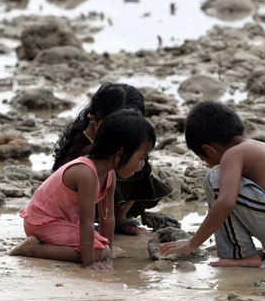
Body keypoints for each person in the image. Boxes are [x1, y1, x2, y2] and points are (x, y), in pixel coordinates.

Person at [159, 101, 265, 268]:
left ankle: (240, 255)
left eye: (205, 160)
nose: (208, 164)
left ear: (209, 150)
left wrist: (193, 243)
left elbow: (226, 203)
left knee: (214, 179)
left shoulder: (233, 153)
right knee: (243, 187)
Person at [9, 109, 156, 268]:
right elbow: (86, 223)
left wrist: (109, 253)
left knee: (103, 250)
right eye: (141, 158)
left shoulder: (109, 175)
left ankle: (46, 247)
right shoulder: (86, 173)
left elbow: (108, 218)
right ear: (120, 154)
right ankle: (33, 249)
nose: (142, 165)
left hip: (62, 223)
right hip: (42, 223)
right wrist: (90, 263)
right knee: (99, 251)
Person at [52, 82, 173, 235]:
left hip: (115, 186)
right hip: (84, 199)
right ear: (95, 117)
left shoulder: (131, 139)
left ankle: (120, 217)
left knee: (140, 170)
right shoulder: (80, 145)